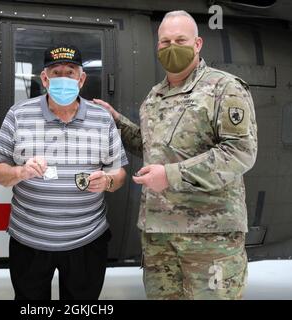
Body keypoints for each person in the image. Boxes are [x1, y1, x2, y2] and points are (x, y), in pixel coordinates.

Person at [94, 10, 257, 300]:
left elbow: (239, 153)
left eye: (180, 39)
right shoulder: (155, 96)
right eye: (165, 41)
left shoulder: (224, 87)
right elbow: (150, 146)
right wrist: (116, 120)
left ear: (197, 44)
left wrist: (170, 176)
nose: (172, 47)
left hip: (209, 237)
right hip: (159, 234)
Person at [0, 44, 128, 300]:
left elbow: (120, 174)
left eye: (70, 72)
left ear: (81, 79)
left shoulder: (101, 118)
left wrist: (108, 180)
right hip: (29, 240)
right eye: (56, 73)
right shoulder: (18, 115)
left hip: (87, 240)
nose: (63, 78)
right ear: (44, 78)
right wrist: (19, 172)